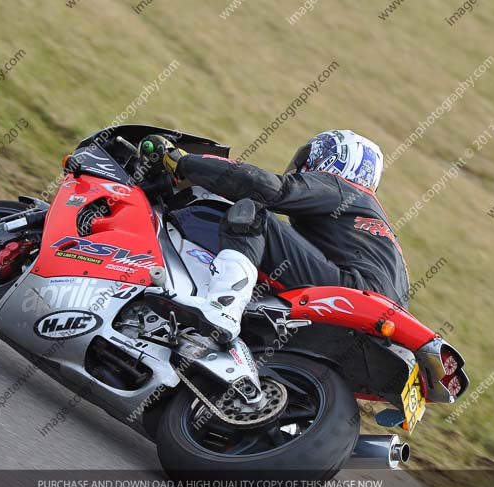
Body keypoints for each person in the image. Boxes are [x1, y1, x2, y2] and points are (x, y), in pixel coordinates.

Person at [148, 130, 409, 343]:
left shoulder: (343, 188)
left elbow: (268, 188)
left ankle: (223, 307)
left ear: (335, 159)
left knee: (252, 213)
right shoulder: (380, 230)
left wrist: (183, 162)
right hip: (379, 325)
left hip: (355, 292)